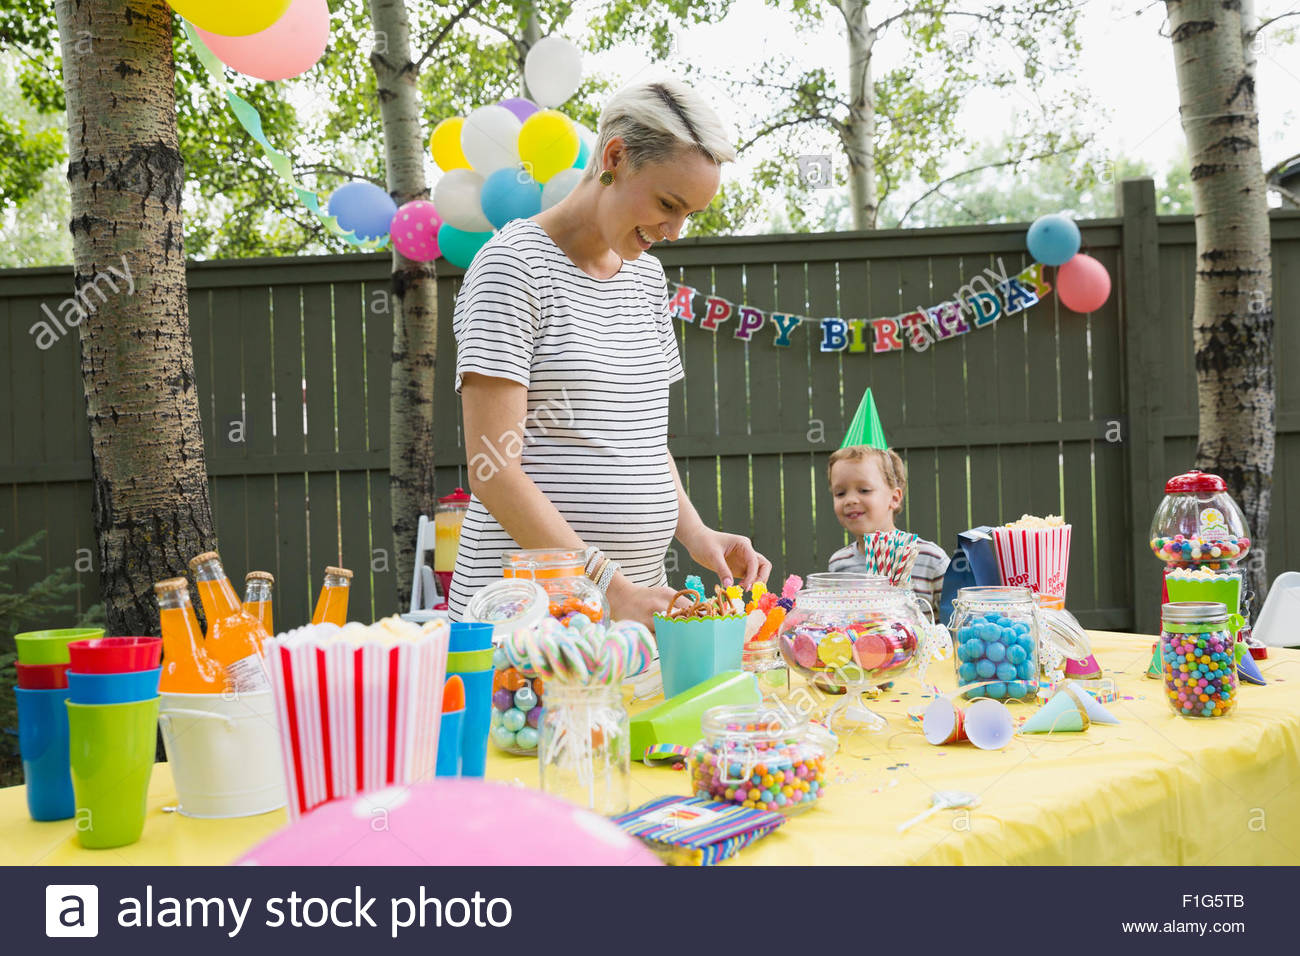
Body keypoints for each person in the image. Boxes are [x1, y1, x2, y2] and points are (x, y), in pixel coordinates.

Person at [449, 77, 771, 627]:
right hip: (529, 620)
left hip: (633, 610)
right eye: (669, 204)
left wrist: (696, 534)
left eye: (691, 214)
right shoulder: (512, 266)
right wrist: (606, 585)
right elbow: (492, 469)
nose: (674, 230)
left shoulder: (647, 278)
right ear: (615, 157)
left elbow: (643, 440)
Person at [825, 446, 949, 616]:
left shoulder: (930, 559)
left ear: (894, 498)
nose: (850, 500)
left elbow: (955, 625)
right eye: (840, 493)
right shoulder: (839, 563)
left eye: (864, 490)